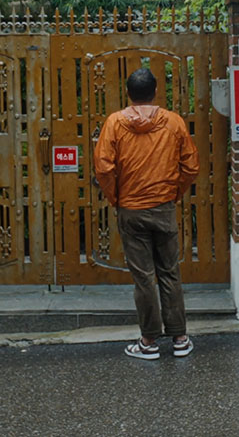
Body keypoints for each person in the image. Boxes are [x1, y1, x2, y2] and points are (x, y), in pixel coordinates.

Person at [93, 67, 200, 360]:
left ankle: (148, 341)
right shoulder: (173, 122)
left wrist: (117, 198)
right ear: (155, 92)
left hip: (131, 209)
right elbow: (191, 166)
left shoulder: (115, 123)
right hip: (163, 206)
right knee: (169, 272)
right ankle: (180, 338)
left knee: (143, 277)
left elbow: (103, 167)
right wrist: (174, 193)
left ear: (128, 93)